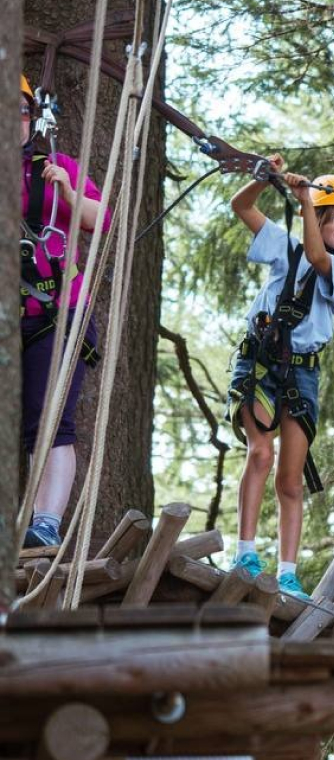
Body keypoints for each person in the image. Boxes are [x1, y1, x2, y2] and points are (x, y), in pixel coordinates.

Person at [227, 155, 334, 599]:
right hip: (260, 364)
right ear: (320, 215)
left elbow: (316, 256)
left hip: (302, 375)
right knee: (261, 452)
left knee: (290, 478)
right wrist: (262, 178)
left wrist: (306, 201)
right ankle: (245, 552)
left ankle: (288, 571)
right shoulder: (281, 246)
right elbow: (241, 207)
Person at [19, 72, 109, 548]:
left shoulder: (56, 165)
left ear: (32, 117)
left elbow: (104, 220)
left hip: (56, 309)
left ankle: (46, 524)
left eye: (19, 110)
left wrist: (70, 196)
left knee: (50, 417)